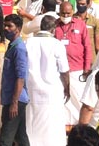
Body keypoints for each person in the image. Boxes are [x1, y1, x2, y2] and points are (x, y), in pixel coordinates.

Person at [25, 16, 70, 146]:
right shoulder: (57, 44)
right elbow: (64, 71)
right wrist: (67, 88)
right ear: (53, 28)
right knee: (52, 126)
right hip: (52, 90)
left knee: (32, 121)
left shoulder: (28, 42)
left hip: (32, 88)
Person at [0, 16, 29, 146]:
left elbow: (20, 77)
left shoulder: (19, 49)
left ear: (18, 29)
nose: (6, 29)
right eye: (5, 25)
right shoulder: (12, 46)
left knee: (5, 138)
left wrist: (14, 103)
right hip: (11, 99)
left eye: (9, 26)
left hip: (15, 100)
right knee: (20, 137)